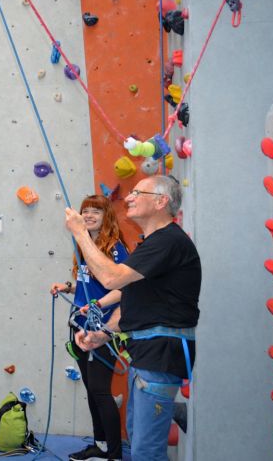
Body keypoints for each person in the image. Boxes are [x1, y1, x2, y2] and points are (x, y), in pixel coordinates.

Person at [66, 175, 201, 461]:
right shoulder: (153, 245)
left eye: (137, 193)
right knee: (137, 436)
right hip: (145, 355)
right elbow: (132, 300)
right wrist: (103, 333)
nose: (128, 198)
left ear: (161, 201)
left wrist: (80, 233)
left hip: (159, 356)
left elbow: (112, 277)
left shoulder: (168, 242)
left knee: (145, 451)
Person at [50, 194, 128, 461]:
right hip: (80, 326)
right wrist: (68, 287)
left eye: (97, 211)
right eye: (86, 211)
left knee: (100, 391)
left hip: (102, 329)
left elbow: (124, 289)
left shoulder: (115, 248)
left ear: (107, 216)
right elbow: (90, 285)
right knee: (91, 390)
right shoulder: (84, 247)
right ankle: (101, 445)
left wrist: (102, 316)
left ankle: (114, 455)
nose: (90, 215)